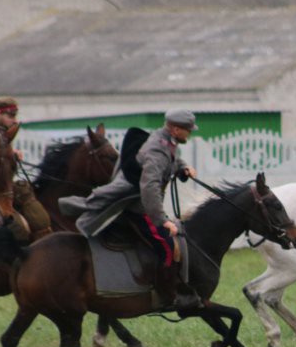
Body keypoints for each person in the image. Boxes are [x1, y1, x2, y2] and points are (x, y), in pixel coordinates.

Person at [61, 109, 200, 309]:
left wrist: (183, 167)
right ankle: (168, 296)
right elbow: (149, 187)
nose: (190, 133)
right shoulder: (157, 150)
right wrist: (162, 221)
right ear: (176, 129)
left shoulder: (164, 141)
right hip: (140, 209)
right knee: (168, 247)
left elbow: (170, 160)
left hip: (145, 205)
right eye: (188, 130)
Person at [0, 96, 52, 242]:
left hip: (6, 187)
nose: (14, 121)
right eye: (10, 116)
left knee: (30, 199)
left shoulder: (4, 134)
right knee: (19, 228)